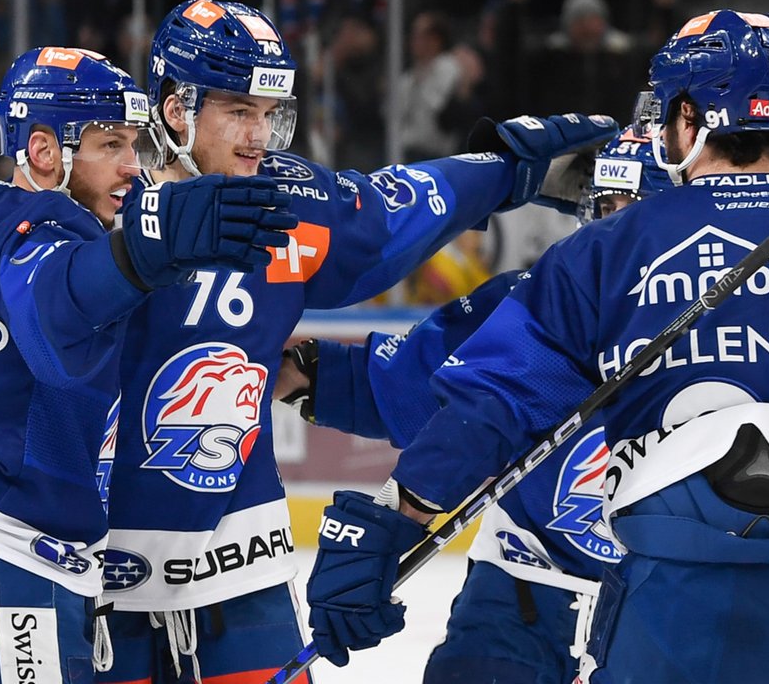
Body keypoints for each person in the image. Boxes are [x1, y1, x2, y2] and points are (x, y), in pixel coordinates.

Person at [0, 0, 618, 684]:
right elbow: (5, 228)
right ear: (175, 108)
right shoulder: (92, 202)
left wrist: (509, 170)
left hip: (238, 575)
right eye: (239, 111)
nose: (259, 136)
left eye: (272, 114)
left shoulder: (286, 203)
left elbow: (393, 212)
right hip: (94, 585)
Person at [302, 9, 769, 684]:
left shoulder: (610, 249)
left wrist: (393, 520)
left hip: (671, 605)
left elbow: (495, 404)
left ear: (690, 118)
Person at [0, 46, 296, 684]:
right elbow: (51, 316)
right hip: (1, 565)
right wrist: (145, 253)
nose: (132, 167)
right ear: (43, 150)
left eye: (134, 145)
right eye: (110, 145)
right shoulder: (45, 229)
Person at [275, 129, 669, 684]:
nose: (612, 229)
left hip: (669, 607)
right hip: (521, 595)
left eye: (634, 210)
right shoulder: (536, 297)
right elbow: (411, 386)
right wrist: (263, 363)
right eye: (605, 207)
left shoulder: (746, 320)